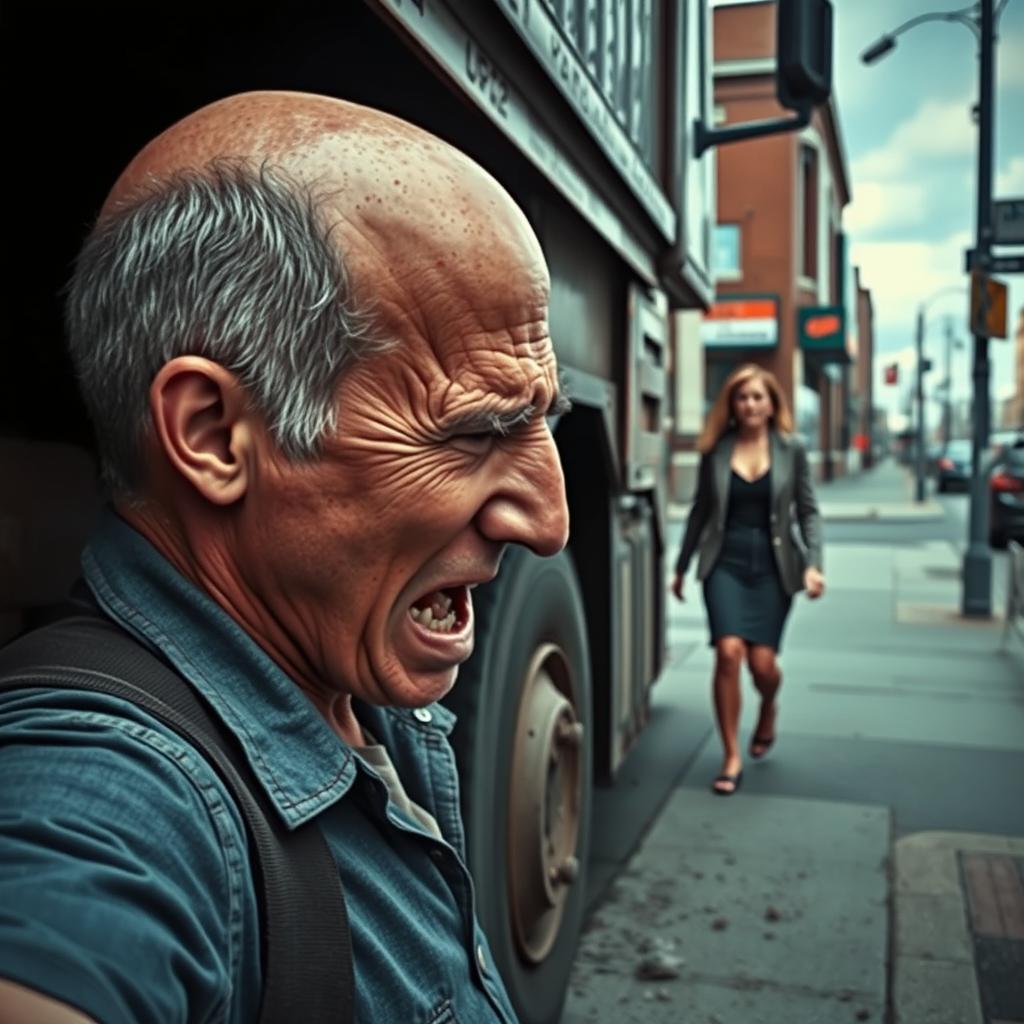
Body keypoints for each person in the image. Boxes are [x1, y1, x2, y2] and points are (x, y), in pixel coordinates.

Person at [0, 91, 572, 1023]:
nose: (548, 523)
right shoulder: (109, 798)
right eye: (473, 434)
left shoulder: (355, 688)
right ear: (216, 434)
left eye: (544, 421)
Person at [671, 364, 824, 796]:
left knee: (762, 665)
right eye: (742, 397)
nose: (750, 404)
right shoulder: (715, 451)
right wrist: (682, 567)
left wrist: (813, 564)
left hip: (775, 567)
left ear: (772, 404)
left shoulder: (792, 450)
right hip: (725, 562)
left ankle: (769, 704)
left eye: (758, 397)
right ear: (732, 406)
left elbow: (808, 511)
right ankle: (731, 755)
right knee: (728, 651)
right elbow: (701, 511)